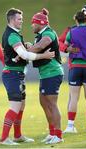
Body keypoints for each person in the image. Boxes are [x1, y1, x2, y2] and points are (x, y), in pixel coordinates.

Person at [0, 8, 55, 145]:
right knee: (15, 106)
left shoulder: (14, 34)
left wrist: (26, 46)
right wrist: (44, 55)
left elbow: (21, 52)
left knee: (21, 105)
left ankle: (18, 135)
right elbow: (24, 55)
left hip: (17, 74)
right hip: (12, 74)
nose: (22, 21)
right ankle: (4, 138)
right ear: (12, 20)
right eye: (19, 19)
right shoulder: (12, 35)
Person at [28, 8, 64, 144]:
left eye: (33, 23)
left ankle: (59, 135)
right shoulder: (41, 33)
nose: (32, 25)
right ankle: (52, 132)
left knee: (52, 104)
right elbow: (36, 46)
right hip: (45, 74)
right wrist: (31, 46)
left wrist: (28, 48)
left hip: (53, 73)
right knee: (44, 103)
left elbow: (39, 47)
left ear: (40, 23)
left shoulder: (48, 33)